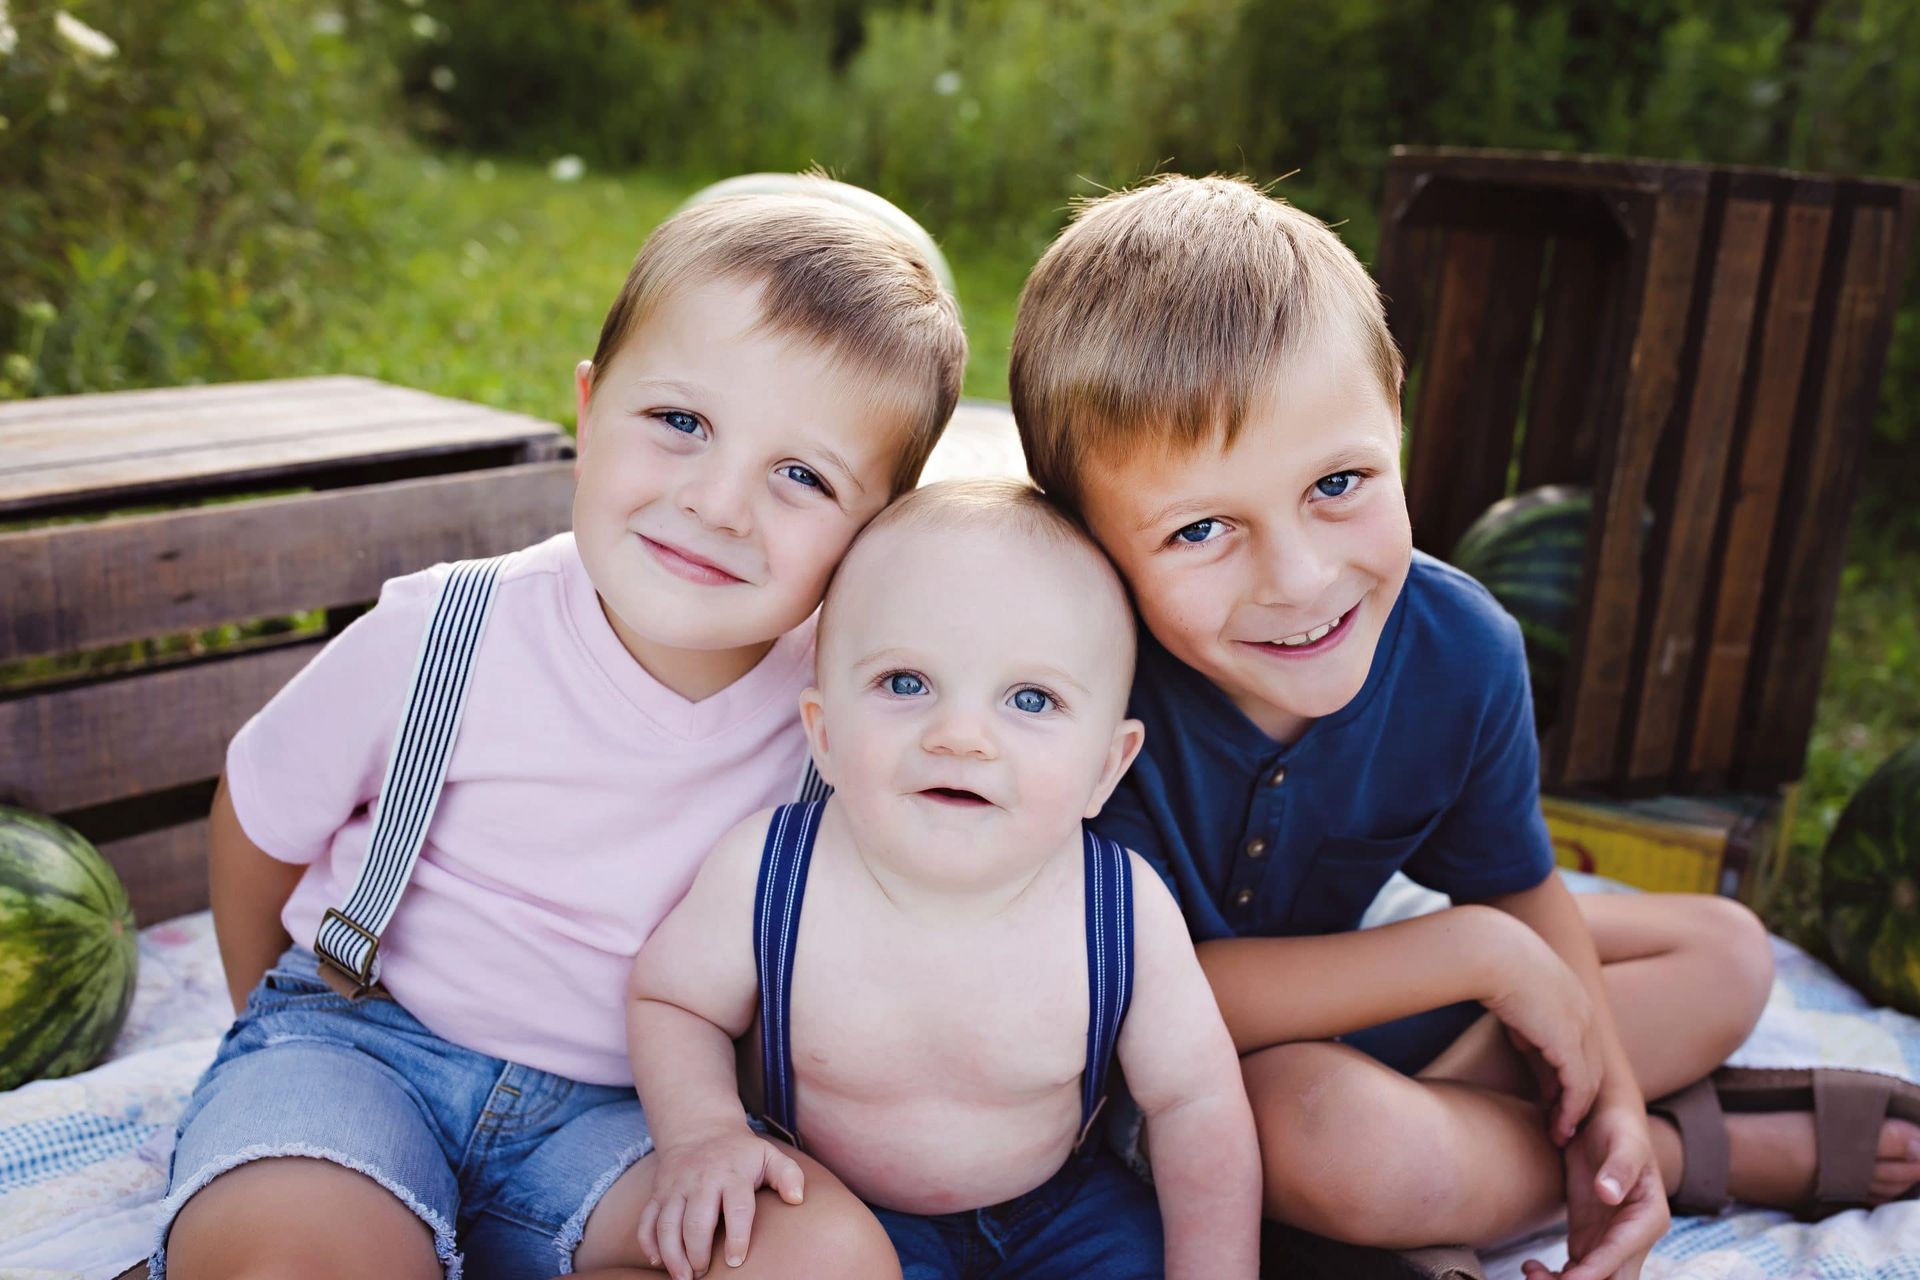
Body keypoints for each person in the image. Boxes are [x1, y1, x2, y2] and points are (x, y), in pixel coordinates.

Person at [1008, 173, 1920, 1279]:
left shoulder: (1460, 647)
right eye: (1202, 528)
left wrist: (1610, 1103)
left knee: (1725, 948)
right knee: (1320, 1129)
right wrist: (1474, 956)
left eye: (1339, 481)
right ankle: (1689, 1154)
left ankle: (1518, 1162)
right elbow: (1142, 992)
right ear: (1087, 539)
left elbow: (1520, 890)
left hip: (1373, 1026)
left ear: (1398, 420)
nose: (1300, 578)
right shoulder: (1078, 687)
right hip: (1182, 1073)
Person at [146, 184, 967, 1280]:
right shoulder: (448, 629)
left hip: (633, 1118)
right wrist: (271, 1034)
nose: (720, 503)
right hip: (365, 1045)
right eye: (680, 422)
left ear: (873, 536)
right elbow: (255, 819)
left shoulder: (837, 714)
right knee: (297, 1251)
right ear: (588, 409)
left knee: (825, 1258)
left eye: (802, 476)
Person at [622, 478, 1261, 1280]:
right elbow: (674, 1001)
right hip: (837, 1217)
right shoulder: (771, 870)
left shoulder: (1121, 908)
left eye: (1030, 698)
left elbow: (1194, 1105)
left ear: (1107, 767)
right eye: (905, 684)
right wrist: (704, 1132)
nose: (961, 736)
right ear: (822, 732)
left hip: (1067, 1216)